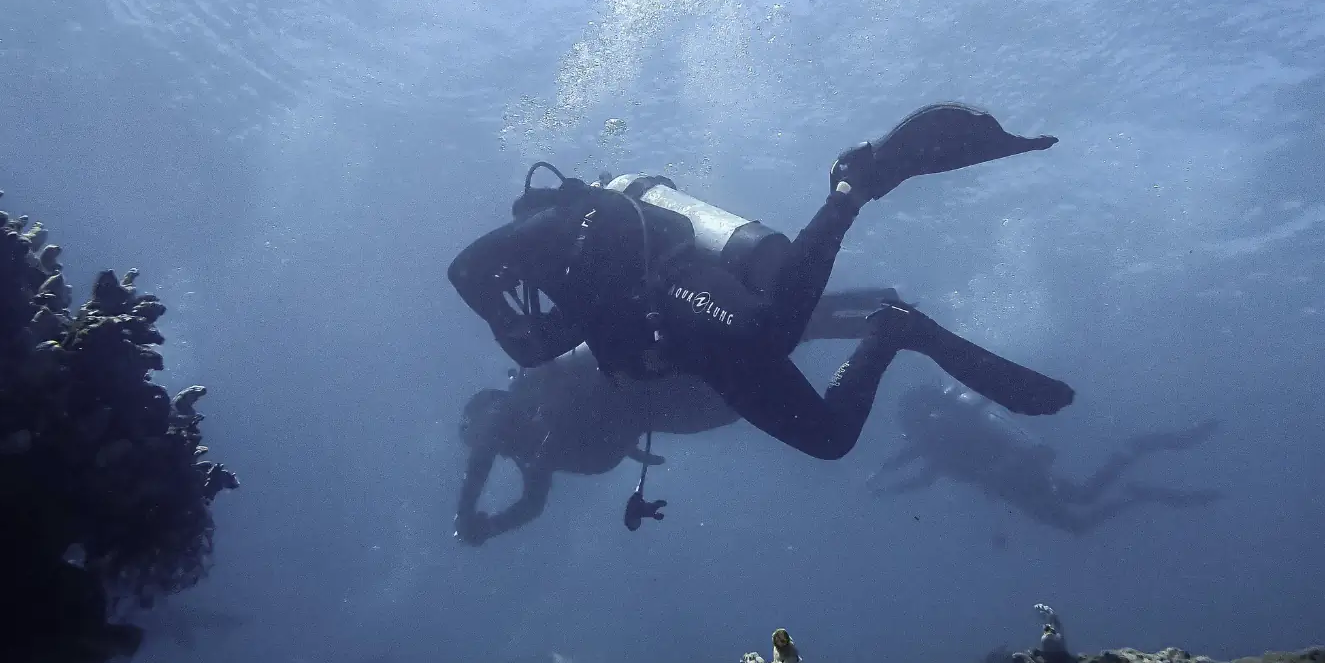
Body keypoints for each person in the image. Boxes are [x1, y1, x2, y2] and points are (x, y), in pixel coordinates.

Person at [448, 103, 1075, 524]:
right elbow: (569, 343)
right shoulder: (563, 297)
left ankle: (852, 185)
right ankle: (893, 330)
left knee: (769, 328)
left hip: (680, 283)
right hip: (692, 347)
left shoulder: (546, 230)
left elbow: (466, 270)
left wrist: (502, 323)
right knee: (827, 439)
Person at [455, 288, 902, 544]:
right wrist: (488, 525)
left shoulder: (531, 384)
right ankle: (882, 321)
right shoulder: (539, 452)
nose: (491, 442)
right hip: (681, 402)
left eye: (486, 434)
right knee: (774, 345)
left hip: (672, 380)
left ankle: (881, 317)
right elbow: (531, 504)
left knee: (770, 337)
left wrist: (467, 517)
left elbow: (491, 449)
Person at [869, 381, 1223, 534]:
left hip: (1019, 476)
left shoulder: (942, 436)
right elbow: (921, 464)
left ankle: (1139, 476)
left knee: (1079, 517)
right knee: (1080, 508)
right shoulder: (938, 436)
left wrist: (887, 489)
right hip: (1016, 479)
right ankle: (1139, 466)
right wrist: (886, 480)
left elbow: (925, 472)